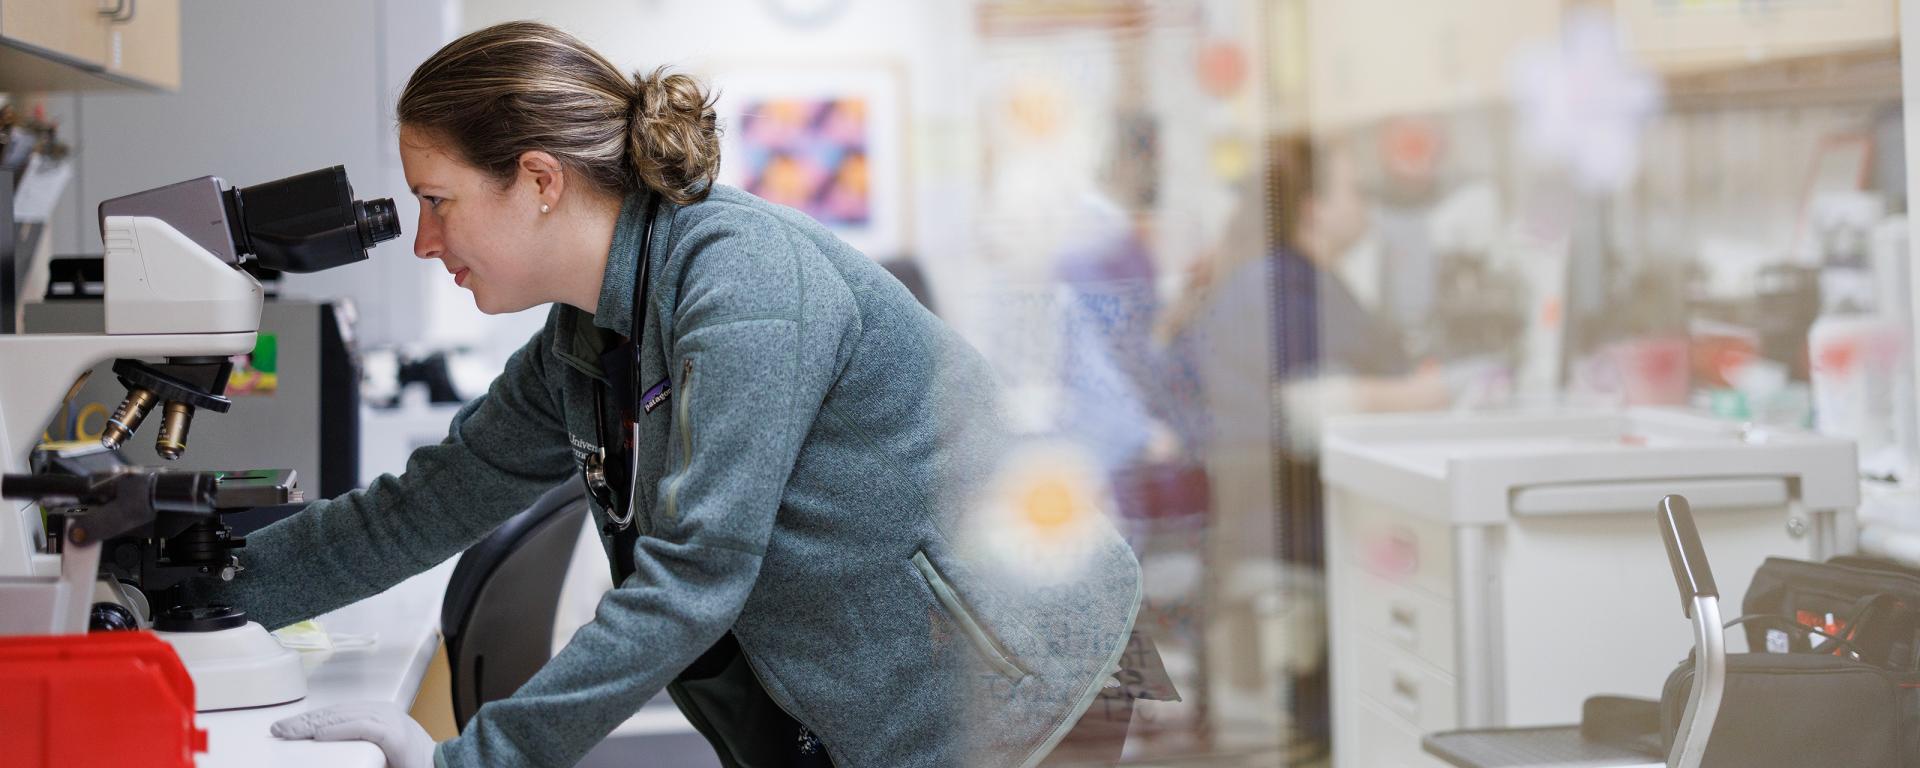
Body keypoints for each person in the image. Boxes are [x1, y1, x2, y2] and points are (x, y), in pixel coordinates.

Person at [216, 21, 1143, 768]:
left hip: (1019, 684)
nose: (424, 240)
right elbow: (426, 505)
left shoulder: (740, 288)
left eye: (438, 201)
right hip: (861, 696)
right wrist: (200, 602)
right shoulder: (586, 335)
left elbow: (695, 578)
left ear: (538, 180)